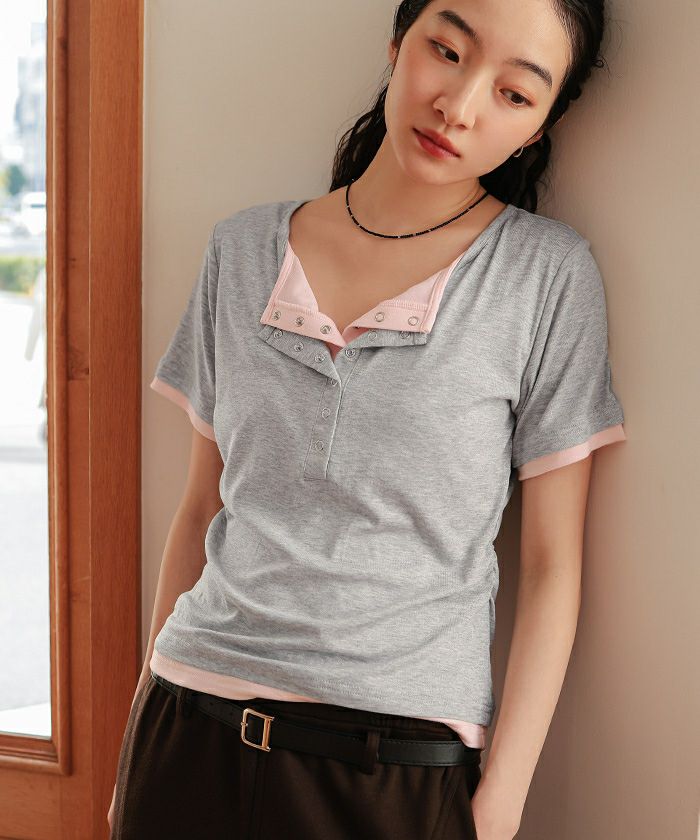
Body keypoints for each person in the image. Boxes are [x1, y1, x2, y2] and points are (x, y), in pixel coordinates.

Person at [109, 0, 627, 837]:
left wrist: (498, 807)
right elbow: (202, 507)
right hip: (189, 728)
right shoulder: (241, 249)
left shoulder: (545, 276)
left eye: (514, 93)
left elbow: (551, 567)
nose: (459, 107)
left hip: (395, 767)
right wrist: (136, 736)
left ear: (538, 129)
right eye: (447, 50)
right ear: (397, 43)